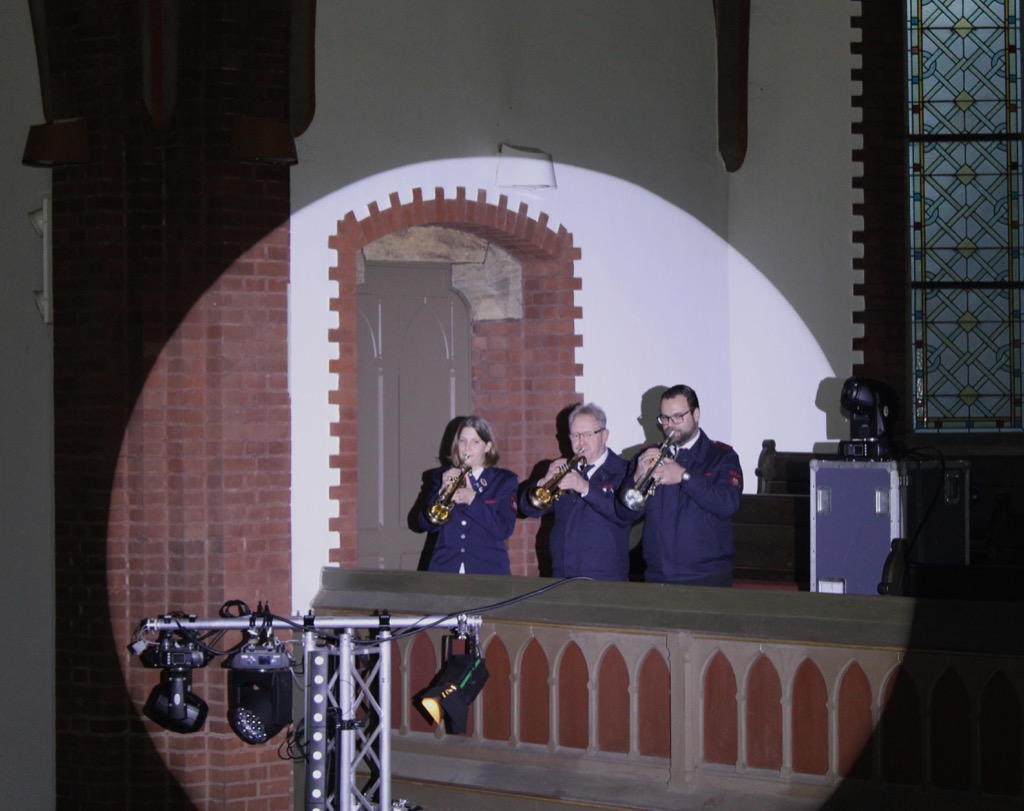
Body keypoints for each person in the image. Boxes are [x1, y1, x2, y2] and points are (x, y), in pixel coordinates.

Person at [617, 384, 743, 587]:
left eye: (677, 417)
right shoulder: (648, 455)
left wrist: (684, 477)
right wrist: (637, 477)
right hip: (657, 576)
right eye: (665, 418)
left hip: (707, 577)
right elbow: (624, 514)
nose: (670, 425)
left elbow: (728, 504)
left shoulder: (721, 456)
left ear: (696, 414)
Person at [521, 403, 636, 581]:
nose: (581, 442)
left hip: (605, 578)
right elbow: (528, 509)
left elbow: (622, 515)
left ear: (604, 435)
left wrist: (585, 488)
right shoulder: (563, 469)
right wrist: (544, 482)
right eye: (575, 436)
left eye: (588, 434)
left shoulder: (623, 471)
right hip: (561, 574)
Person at [417, 415, 518, 575]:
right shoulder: (441, 477)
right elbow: (424, 525)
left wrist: (473, 500)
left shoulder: (503, 481)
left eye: (475, 442)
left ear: (488, 447)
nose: (466, 448)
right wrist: (441, 493)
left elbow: (504, 530)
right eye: (462, 441)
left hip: (488, 571)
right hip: (445, 569)